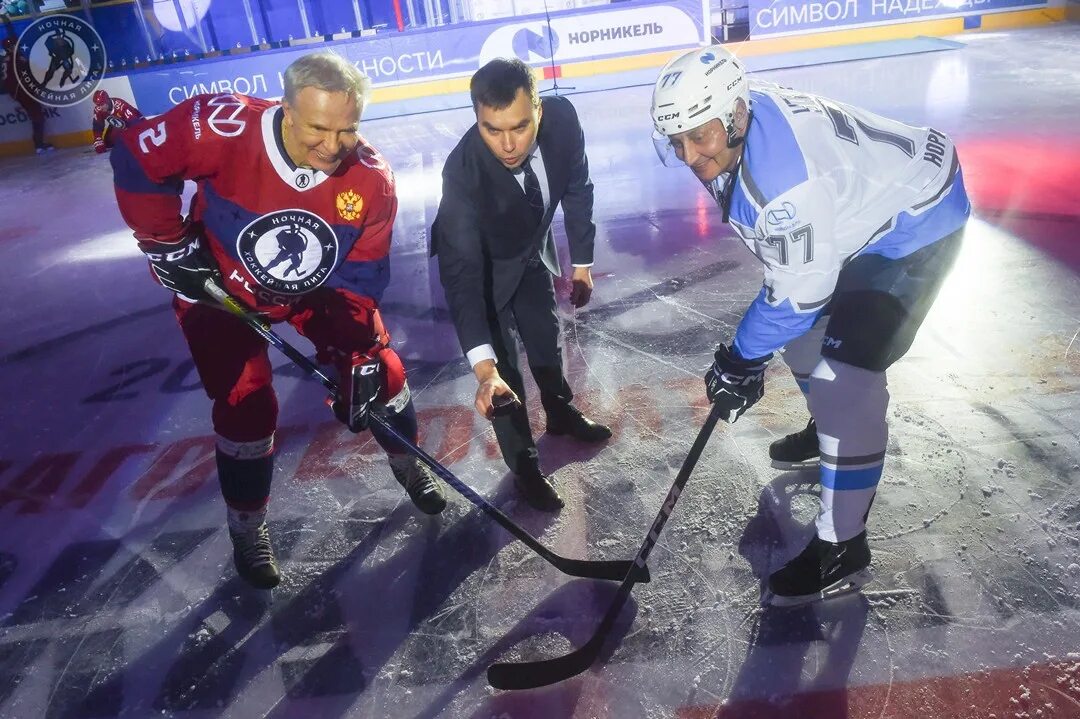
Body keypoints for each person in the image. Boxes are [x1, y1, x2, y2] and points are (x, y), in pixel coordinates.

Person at [110, 52, 446, 591]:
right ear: (286, 109)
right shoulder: (222, 126)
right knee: (246, 404)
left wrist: (356, 353)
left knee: (380, 373)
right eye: (318, 127)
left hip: (315, 291)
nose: (334, 146)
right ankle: (247, 526)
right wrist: (168, 247)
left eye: (348, 129)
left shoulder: (371, 182)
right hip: (220, 291)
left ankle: (409, 463)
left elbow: (358, 283)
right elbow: (134, 156)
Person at [650, 45, 969, 606]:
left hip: (916, 223)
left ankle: (843, 544)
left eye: (700, 137)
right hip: (863, 215)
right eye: (677, 143)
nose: (691, 156)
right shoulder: (738, 129)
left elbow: (799, 293)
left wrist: (739, 360)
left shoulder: (781, 185)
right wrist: (750, 354)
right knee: (803, 343)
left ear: (735, 116)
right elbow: (794, 282)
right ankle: (829, 432)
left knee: (847, 383)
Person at [431, 58, 611, 512]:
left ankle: (560, 412)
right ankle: (526, 467)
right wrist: (484, 369)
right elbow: (462, 279)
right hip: (482, 270)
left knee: (546, 339)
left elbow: (577, 188)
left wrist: (582, 263)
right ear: (477, 118)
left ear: (539, 110)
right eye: (493, 130)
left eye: (520, 126)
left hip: (529, 251)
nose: (509, 144)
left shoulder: (564, 120)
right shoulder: (461, 175)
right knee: (505, 376)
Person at [1, 14, 53, 154]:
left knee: (37, 116)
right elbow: (28, 73)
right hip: (22, 92)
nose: (16, 46)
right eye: (14, 45)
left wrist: (7, 23)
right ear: (10, 47)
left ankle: (39, 143)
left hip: (19, 92)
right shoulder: (15, 58)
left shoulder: (8, 57)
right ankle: (38, 144)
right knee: (37, 116)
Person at [91, 89, 143, 154]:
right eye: (98, 104)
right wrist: (98, 139)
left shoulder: (121, 105)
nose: (100, 107)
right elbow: (97, 126)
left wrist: (137, 137)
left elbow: (134, 122)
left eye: (102, 104)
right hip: (121, 126)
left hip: (137, 122)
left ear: (107, 101)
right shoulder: (98, 109)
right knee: (108, 143)